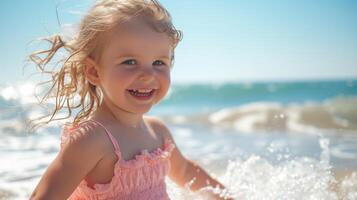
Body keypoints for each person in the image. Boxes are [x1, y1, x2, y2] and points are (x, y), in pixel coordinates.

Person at [29, 0, 232, 199]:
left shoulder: (158, 133)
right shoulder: (92, 139)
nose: (147, 75)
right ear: (94, 72)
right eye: (130, 62)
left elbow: (186, 172)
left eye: (158, 62)